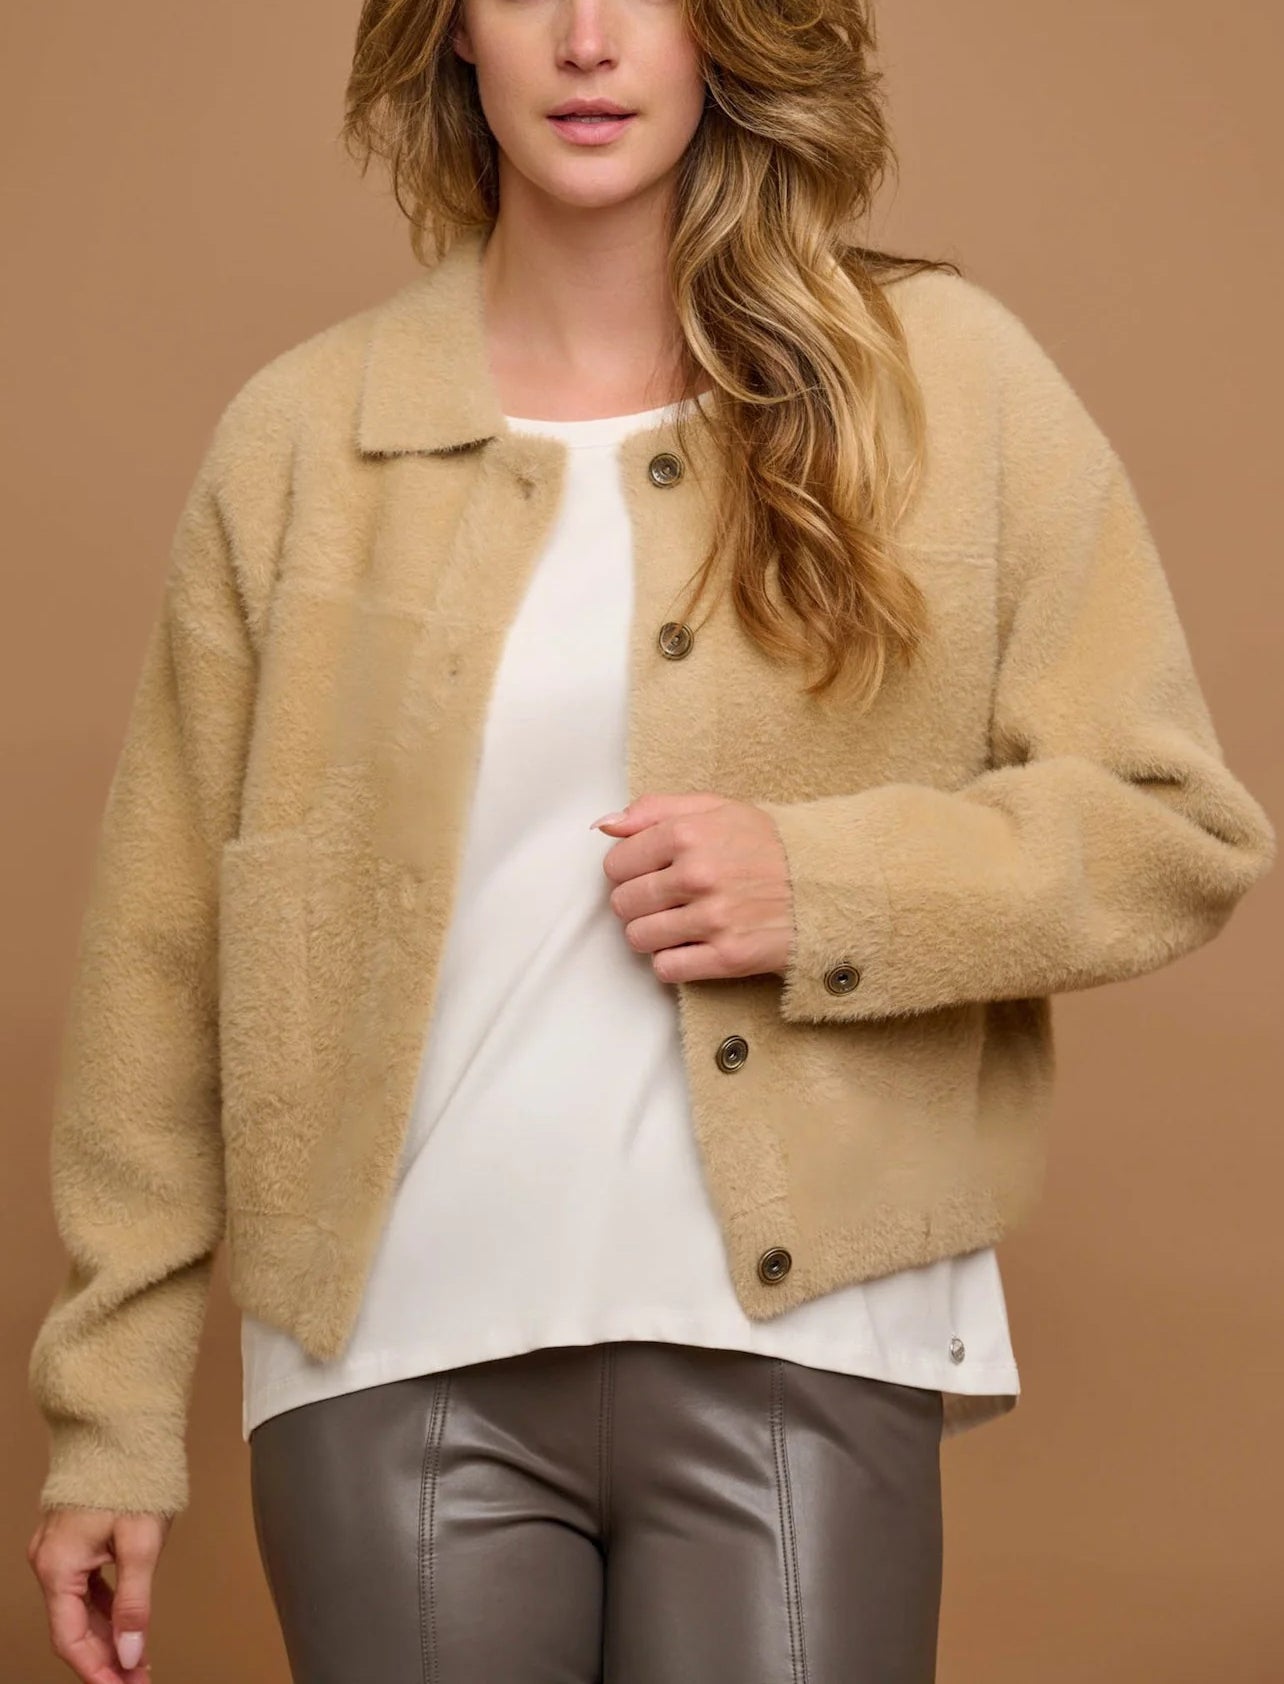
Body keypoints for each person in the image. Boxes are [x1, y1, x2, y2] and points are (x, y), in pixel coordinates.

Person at [25, 0, 1276, 1680]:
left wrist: (830, 888)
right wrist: (108, 1418)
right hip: (390, 1362)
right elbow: (160, 945)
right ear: (453, 33)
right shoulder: (308, 436)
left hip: (801, 1341)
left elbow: (1171, 822)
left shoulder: (941, 383)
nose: (588, 37)